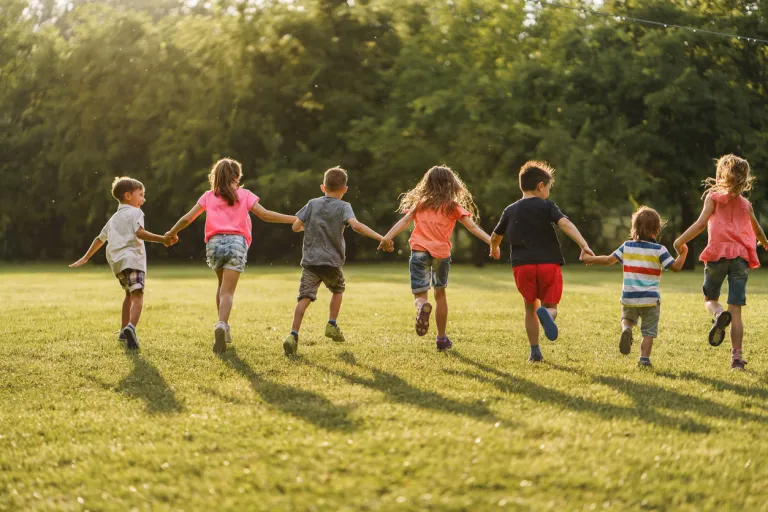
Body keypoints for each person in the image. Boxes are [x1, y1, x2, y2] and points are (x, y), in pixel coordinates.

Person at [165, 158, 296, 354]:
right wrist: (295, 219)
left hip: (214, 244)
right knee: (228, 291)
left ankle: (223, 328)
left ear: (216, 176)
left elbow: (187, 218)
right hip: (236, 243)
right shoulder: (244, 195)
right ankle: (221, 324)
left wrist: (172, 232)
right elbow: (266, 215)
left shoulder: (208, 196)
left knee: (221, 287)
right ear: (237, 177)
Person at [379, 165, 496, 351]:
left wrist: (387, 238)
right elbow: (473, 227)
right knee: (440, 295)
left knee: (419, 294)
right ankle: (441, 339)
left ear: (427, 183)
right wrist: (492, 242)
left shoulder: (421, 204)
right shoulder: (453, 207)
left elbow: (404, 221)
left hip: (419, 252)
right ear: (452, 185)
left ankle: (422, 306)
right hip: (441, 254)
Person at [489, 161, 593, 362]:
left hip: (522, 266)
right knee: (549, 305)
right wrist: (583, 244)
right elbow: (565, 223)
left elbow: (495, 235)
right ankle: (548, 314)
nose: (548, 191)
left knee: (530, 307)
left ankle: (535, 352)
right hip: (548, 264)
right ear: (540, 186)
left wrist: (494, 249)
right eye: (548, 187)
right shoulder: (547, 206)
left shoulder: (510, 210)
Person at [284, 167, 393, 356]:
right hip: (331, 261)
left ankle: (293, 334)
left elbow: (295, 226)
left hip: (310, 262)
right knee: (337, 289)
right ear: (345, 189)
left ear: (322, 187)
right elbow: (356, 226)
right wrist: (380, 238)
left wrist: (308, 229)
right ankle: (331, 323)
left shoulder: (311, 204)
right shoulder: (344, 207)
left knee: (304, 298)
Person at [674, 154, 768, 370]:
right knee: (736, 310)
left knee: (710, 299)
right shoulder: (746, 205)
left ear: (721, 176)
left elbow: (699, 225)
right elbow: (758, 231)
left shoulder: (713, 198)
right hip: (740, 259)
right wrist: (765, 242)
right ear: (744, 180)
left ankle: (717, 314)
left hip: (717, 256)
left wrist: (679, 241)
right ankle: (736, 358)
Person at [70, 177, 174, 350]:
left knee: (128, 295)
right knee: (138, 295)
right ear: (128, 196)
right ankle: (131, 328)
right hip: (132, 259)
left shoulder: (113, 218)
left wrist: (86, 257)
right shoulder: (136, 213)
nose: (143, 199)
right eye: (141, 195)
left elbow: (99, 239)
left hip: (117, 264)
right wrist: (162, 239)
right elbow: (139, 233)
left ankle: (122, 331)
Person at [581, 207, 688, 367]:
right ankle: (644, 359)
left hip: (629, 297)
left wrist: (590, 258)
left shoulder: (627, 246)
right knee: (648, 332)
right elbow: (676, 267)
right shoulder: (659, 250)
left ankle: (626, 329)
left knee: (628, 319)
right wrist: (683, 253)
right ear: (657, 229)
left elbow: (608, 260)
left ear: (634, 228)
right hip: (650, 299)